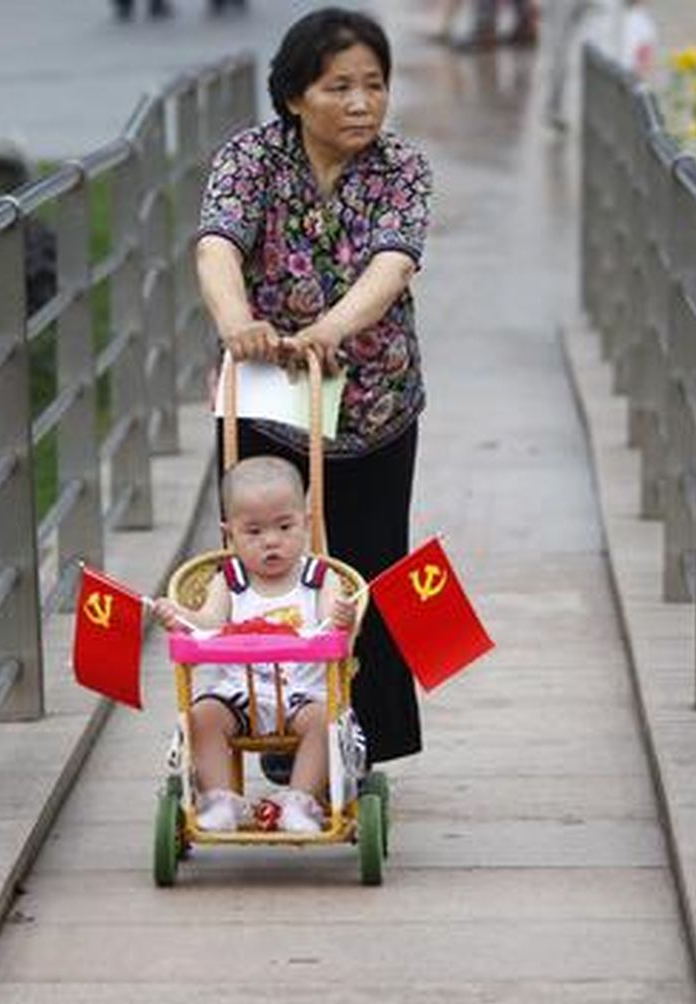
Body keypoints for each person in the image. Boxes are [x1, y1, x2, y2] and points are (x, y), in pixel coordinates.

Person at [194, 7, 432, 766]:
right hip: (267, 399)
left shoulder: (403, 169)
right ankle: (272, 732)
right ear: (296, 95)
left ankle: (367, 745)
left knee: (368, 568)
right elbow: (216, 245)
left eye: (374, 85)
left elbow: (393, 264)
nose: (362, 103)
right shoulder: (249, 159)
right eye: (339, 87)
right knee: (267, 563)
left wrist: (329, 330)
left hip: (374, 400)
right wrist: (238, 322)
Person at [153, 456, 358, 833]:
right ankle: (221, 799)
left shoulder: (319, 578)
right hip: (239, 691)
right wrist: (181, 617)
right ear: (229, 534)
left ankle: (301, 801)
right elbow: (208, 623)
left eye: (285, 526)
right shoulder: (229, 580)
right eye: (253, 531)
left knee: (326, 722)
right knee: (201, 717)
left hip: (302, 692)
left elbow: (334, 627)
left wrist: (344, 617)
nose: (271, 541)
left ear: (306, 523)